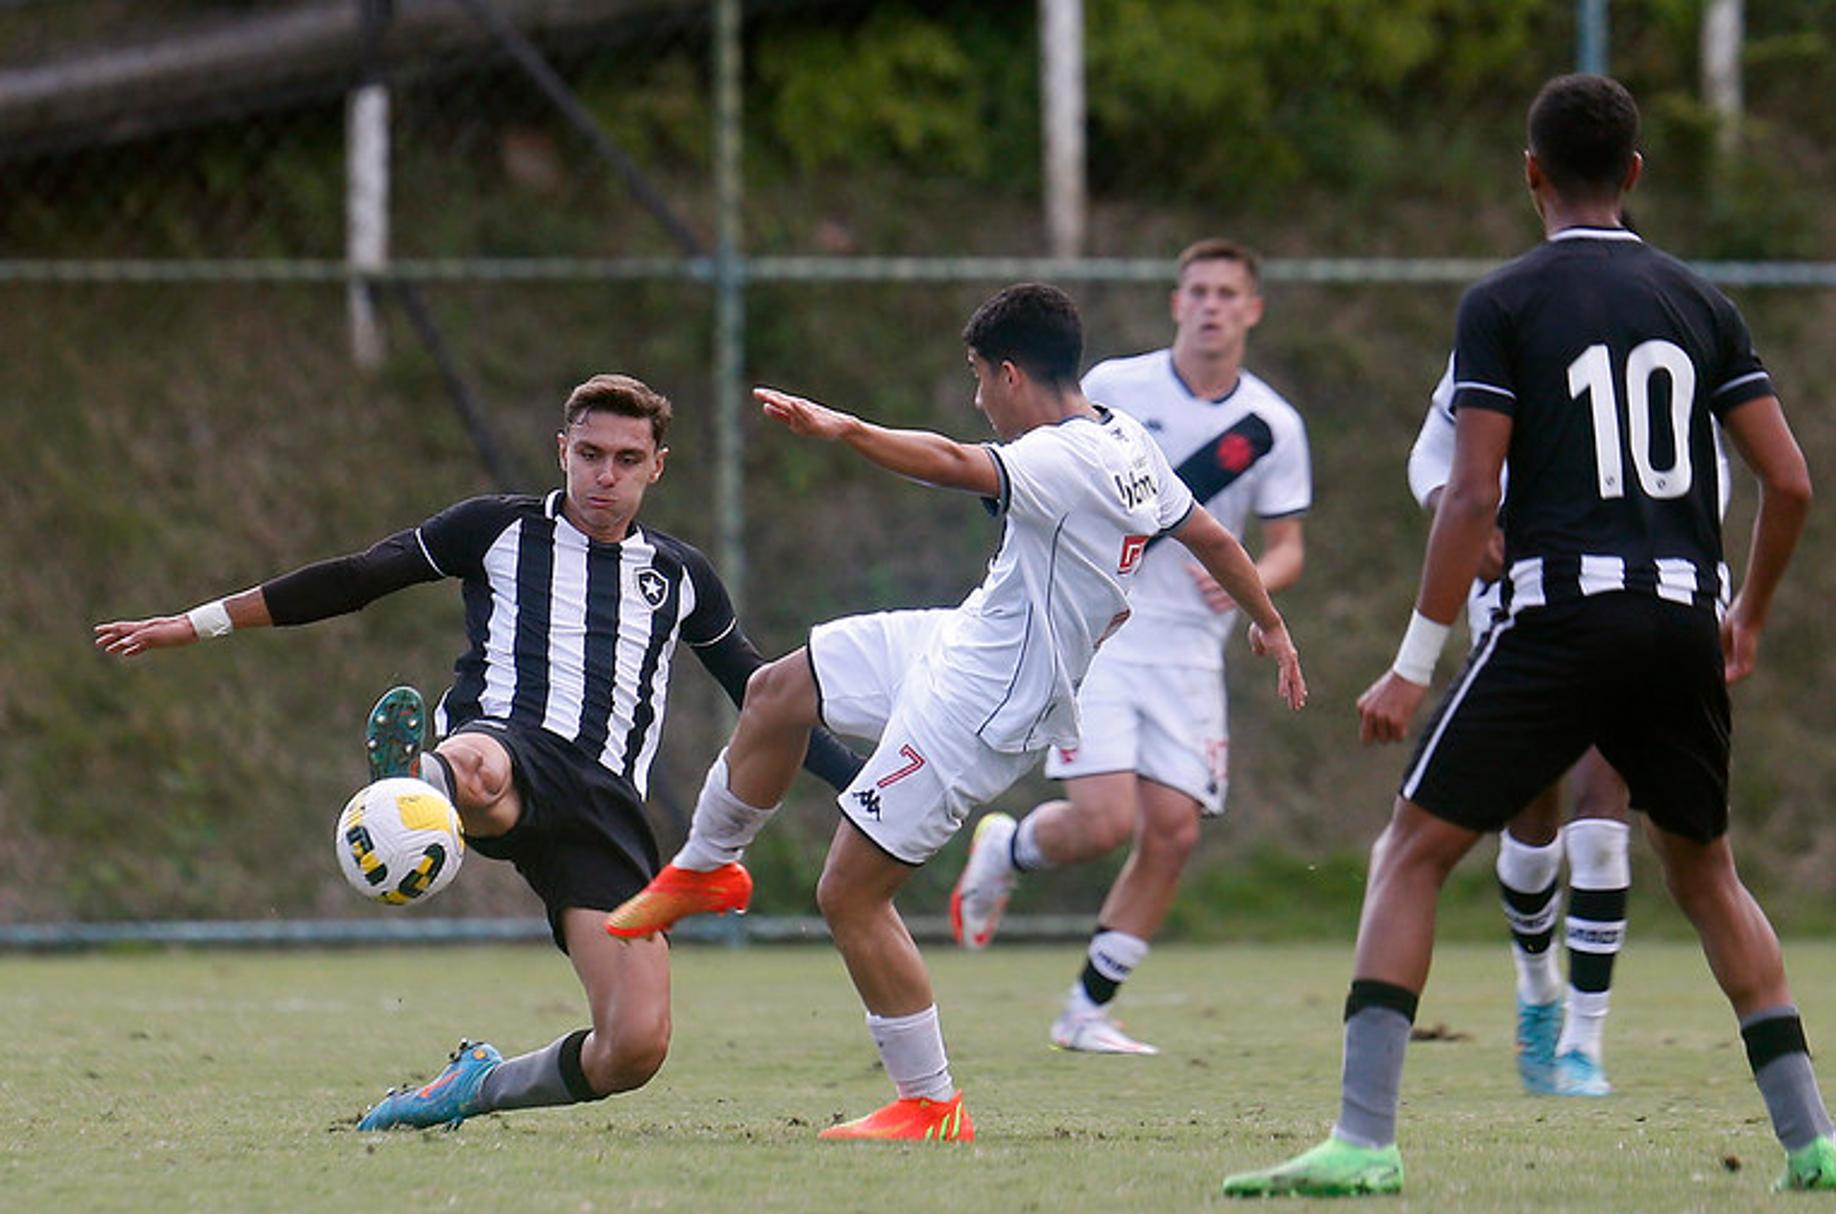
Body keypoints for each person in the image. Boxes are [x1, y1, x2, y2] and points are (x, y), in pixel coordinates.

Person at [1223, 74, 1836, 1197]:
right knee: (1709, 872)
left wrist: (1413, 665)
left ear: (1529, 174)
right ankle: (1814, 1143)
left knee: (1410, 851)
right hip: (1678, 617)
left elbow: (1469, 503)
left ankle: (1364, 1140)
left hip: (1563, 613)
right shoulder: (1702, 303)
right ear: (1636, 175)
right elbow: (1790, 482)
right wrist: (1743, 614)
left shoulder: (1503, 302)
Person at [603, 283, 1308, 1141]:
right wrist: (1270, 625)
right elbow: (1214, 538)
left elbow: (947, 459)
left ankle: (931, 1102)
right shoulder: (1126, 439)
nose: (978, 398)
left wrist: (844, 428)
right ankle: (711, 864)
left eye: (979, 379)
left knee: (850, 894)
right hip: (959, 640)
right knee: (777, 689)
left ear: (1011, 374)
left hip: (982, 706)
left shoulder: (1063, 459)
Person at [94, 373, 862, 1132]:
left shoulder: (683, 576)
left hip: (605, 807)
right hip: (508, 741)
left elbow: (767, 701)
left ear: (657, 466)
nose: (606, 475)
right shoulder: (497, 528)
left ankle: (474, 1086)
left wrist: (867, 789)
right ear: (562, 451)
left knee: (632, 1048)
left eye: (627, 459)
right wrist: (196, 623)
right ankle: (416, 786)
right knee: (485, 771)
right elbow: (358, 578)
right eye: (590, 453)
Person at [948, 239, 1311, 1057]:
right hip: (1104, 629)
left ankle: (1086, 1011)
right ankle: (1008, 846)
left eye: (1228, 293)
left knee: (1174, 831)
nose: (1212, 305)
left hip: (1192, 648)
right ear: (1177, 303)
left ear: (1251, 309)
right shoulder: (1112, 388)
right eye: (1198, 291)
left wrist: (1261, 586)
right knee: (1106, 819)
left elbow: (1284, 545)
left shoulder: (1273, 425)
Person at [1410, 356, 1631, 1097]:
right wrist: (1456, 506)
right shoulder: (1512, 319)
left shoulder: (1665, 318)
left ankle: (1585, 1042)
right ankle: (1538, 987)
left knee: (1604, 817)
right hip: (1518, 599)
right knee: (1531, 814)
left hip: (1630, 594)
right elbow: (1431, 452)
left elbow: (1711, 469)